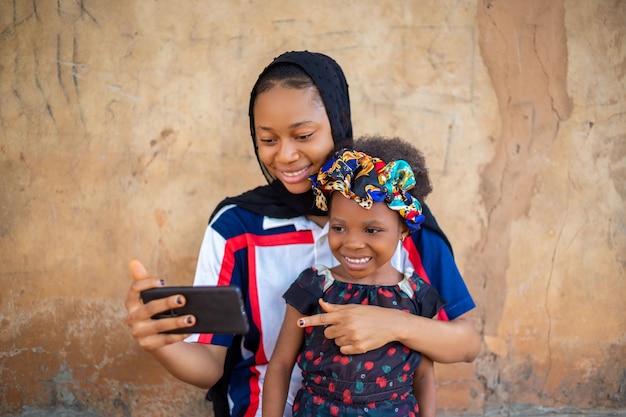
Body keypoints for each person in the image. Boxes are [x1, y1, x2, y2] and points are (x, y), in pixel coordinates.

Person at [124, 51, 480, 417]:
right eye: (268, 140)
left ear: (338, 123)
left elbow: (466, 343)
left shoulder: (399, 215)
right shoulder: (235, 230)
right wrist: (160, 342)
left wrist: (393, 324)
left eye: (303, 135)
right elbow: (208, 364)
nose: (286, 155)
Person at [263, 148, 446, 417]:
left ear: (404, 229)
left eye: (372, 230)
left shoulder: (416, 296)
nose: (352, 243)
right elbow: (280, 365)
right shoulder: (314, 286)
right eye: (339, 228)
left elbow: (423, 378)